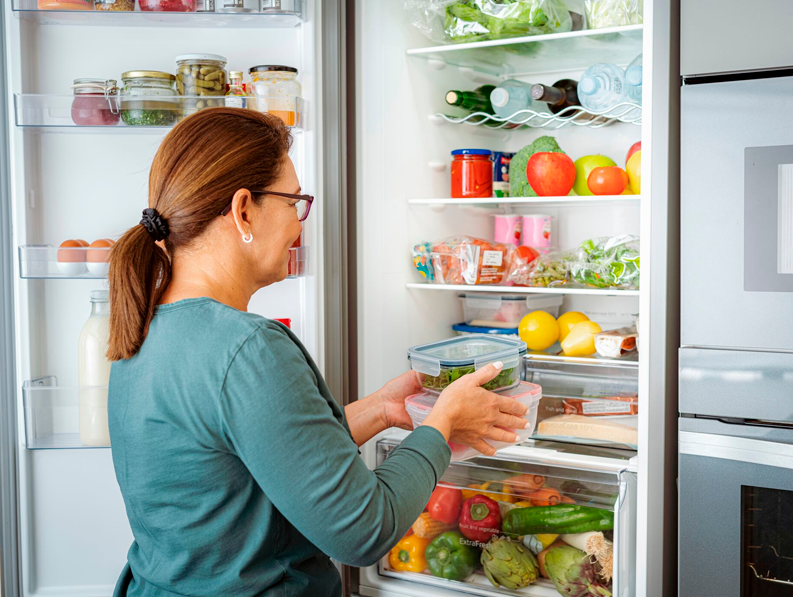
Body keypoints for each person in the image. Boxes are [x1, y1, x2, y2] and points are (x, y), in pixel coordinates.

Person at [105, 108, 529, 597]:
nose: (298, 223)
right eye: (294, 202)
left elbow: (256, 462)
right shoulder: (247, 348)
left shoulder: (142, 326)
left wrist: (380, 410)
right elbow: (364, 530)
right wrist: (443, 424)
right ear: (244, 211)